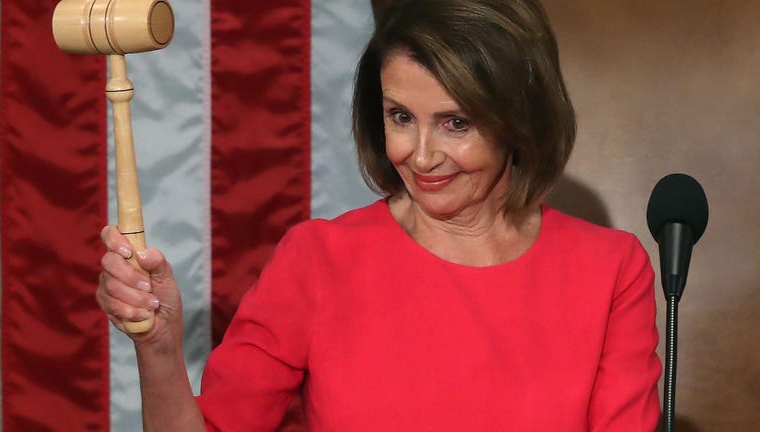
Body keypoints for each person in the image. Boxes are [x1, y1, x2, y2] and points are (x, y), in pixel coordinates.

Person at [97, 0, 662, 430]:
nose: (418, 156)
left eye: (456, 123)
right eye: (399, 116)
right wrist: (160, 347)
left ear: (521, 118)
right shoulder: (318, 258)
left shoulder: (610, 269)